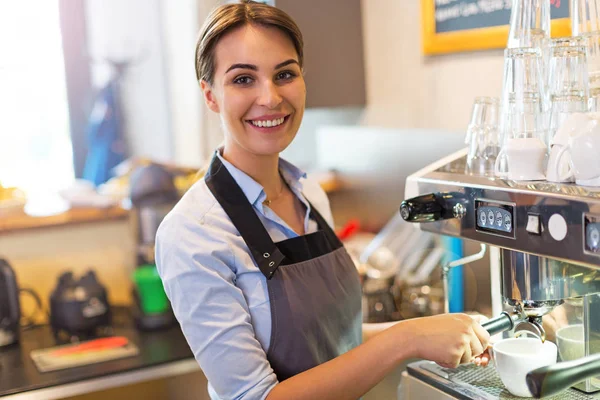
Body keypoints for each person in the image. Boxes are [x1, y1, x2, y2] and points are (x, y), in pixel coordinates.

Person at [155, 1, 491, 399]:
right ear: (209, 95)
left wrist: (434, 331)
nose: (270, 97)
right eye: (243, 79)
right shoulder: (193, 234)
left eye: (284, 74)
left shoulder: (309, 194)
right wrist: (407, 337)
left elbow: (331, 342)